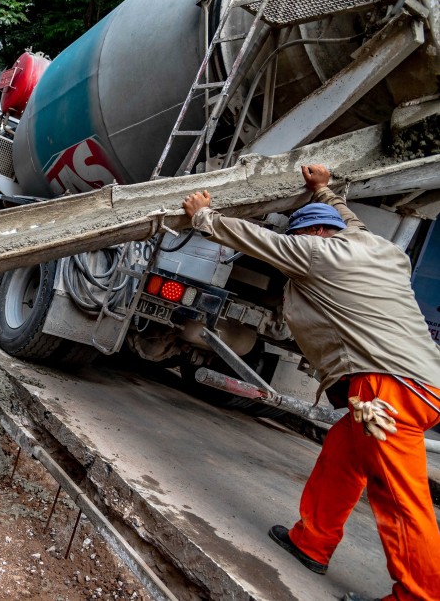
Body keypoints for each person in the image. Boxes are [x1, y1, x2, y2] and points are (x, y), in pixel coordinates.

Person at [182, 165, 440, 601]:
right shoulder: (379, 248)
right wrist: (325, 190)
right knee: (342, 455)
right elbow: (349, 219)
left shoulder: (315, 253)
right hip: (419, 385)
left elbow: (264, 242)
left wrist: (204, 217)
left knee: (399, 500)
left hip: (387, 392)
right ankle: (311, 542)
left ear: (313, 235)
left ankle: (419, 594)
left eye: (302, 240)